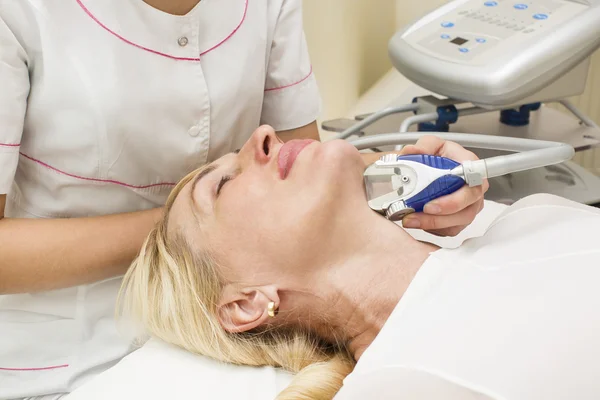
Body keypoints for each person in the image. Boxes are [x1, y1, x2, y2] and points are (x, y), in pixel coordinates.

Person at [0, 1, 488, 398]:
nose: (264, 135)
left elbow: (307, 160)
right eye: (224, 181)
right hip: (60, 355)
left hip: (255, 315)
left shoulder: (533, 235)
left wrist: (399, 178)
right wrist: (197, 237)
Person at [119, 126, 600, 400]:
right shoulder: (402, 384)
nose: (262, 135)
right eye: (222, 185)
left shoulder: (531, 218)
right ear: (247, 303)